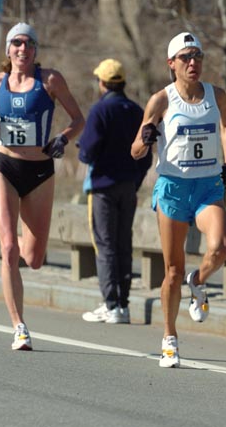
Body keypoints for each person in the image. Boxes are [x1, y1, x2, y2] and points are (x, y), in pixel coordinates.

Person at [131, 32, 226, 368]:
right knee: (173, 270)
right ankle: (169, 338)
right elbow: (135, 151)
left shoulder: (216, 95)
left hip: (207, 186)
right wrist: (146, 140)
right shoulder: (161, 100)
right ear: (172, 64)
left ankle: (200, 280)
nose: (193, 63)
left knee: (219, 248)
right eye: (186, 58)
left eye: (198, 57)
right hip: (174, 186)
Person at [0, 22, 84, 350]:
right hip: (5, 167)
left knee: (34, 258)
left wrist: (62, 139)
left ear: (36, 50)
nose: (22, 49)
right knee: (9, 248)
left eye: (28, 44)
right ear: (8, 50)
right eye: (17, 44)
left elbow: (78, 120)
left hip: (40, 172)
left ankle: (23, 235)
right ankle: (19, 326)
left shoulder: (50, 80)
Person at [79, 59, 152, 325]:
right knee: (123, 244)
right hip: (128, 186)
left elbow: (87, 151)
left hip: (102, 187)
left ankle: (110, 304)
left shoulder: (100, 110)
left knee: (105, 244)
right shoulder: (136, 110)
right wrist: (136, 179)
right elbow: (145, 153)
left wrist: (83, 149)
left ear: (102, 83)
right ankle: (123, 303)